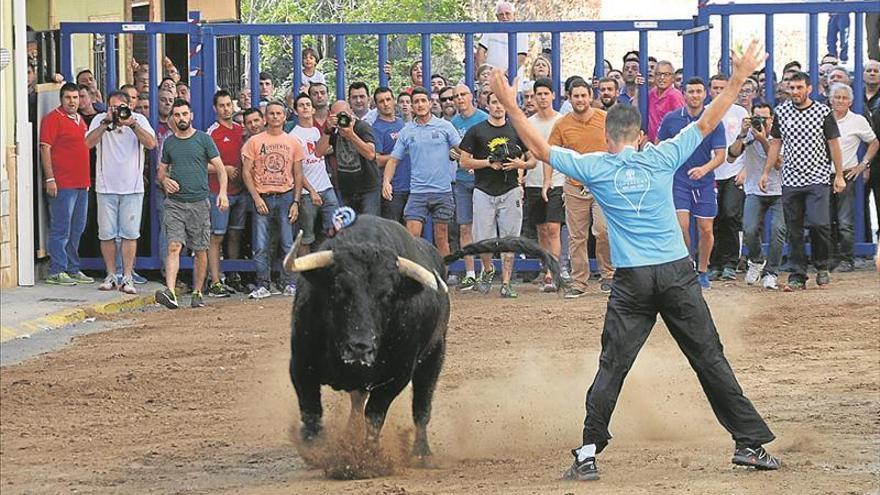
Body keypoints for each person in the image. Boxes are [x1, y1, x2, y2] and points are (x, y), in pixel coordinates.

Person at [488, 39, 781, 481]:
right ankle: (748, 444)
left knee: (614, 365)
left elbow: (543, 151)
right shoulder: (662, 156)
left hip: (632, 282)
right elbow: (706, 123)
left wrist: (511, 104)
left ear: (607, 138)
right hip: (677, 274)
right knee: (708, 358)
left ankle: (588, 452)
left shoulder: (597, 167)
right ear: (642, 134)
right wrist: (739, 78)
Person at [759, 71, 845, 291]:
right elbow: (776, 143)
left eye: (799, 87)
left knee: (820, 223)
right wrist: (766, 172)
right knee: (794, 228)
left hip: (817, 176)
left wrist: (839, 174)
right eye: (792, 87)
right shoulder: (782, 112)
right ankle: (798, 273)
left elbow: (833, 144)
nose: (795, 92)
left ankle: (822, 264)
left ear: (809, 89)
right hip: (791, 178)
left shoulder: (822, 112)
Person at [459, 91, 535, 298]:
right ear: (487, 105)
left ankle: (507, 282)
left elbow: (533, 160)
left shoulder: (517, 129)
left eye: (502, 102)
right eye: (494, 102)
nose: (498, 106)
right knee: (483, 238)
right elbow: (463, 161)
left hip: (510, 189)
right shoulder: (477, 130)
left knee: (510, 238)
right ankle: (489, 269)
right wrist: (488, 163)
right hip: (483, 189)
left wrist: (521, 164)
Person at [156, 99, 229, 309]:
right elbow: (161, 171)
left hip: (199, 202)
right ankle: (170, 291)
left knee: (200, 249)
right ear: (172, 118)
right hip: (175, 204)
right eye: (177, 115)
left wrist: (222, 193)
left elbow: (220, 168)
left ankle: (198, 291)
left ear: (191, 116)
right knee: (173, 245)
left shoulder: (204, 139)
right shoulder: (169, 143)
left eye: (184, 114)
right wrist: (165, 180)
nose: (181, 118)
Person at [85, 90, 157, 294]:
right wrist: (106, 123)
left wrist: (132, 124)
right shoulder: (100, 119)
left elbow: (152, 144)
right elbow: (88, 143)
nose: (117, 111)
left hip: (132, 188)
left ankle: (127, 276)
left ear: (129, 106)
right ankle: (110, 275)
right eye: (113, 107)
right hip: (106, 187)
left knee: (130, 234)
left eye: (120, 107)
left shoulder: (139, 120)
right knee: (106, 234)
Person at [658, 77, 727, 289]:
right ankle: (687, 266)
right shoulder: (671, 119)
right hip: (679, 180)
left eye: (698, 91)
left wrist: (704, 169)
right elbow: (661, 147)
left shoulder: (714, 120)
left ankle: (703, 270)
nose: (695, 95)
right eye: (691, 92)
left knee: (706, 229)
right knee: (681, 226)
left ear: (705, 94)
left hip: (705, 182)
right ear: (684, 94)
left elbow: (721, 155)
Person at [549, 78, 614, 298]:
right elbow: (551, 154)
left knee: (603, 230)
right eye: (575, 96)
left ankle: (608, 275)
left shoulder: (605, 119)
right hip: (575, 186)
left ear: (590, 96)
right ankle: (579, 282)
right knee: (576, 237)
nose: (580, 99)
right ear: (569, 98)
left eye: (584, 95)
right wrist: (549, 181)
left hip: (602, 185)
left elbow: (619, 146)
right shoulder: (561, 124)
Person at [382, 87, 459, 259]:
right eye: (416, 101)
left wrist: (466, 160)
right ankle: (416, 281)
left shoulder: (445, 127)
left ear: (431, 104)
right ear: (411, 106)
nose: (420, 104)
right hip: (417, 192)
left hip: (442, 191)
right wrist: (386, 182)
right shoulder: (407, 131)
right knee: (412, 238)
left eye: (423, 100)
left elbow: (462, 150)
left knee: (441, 238)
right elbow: (393, 160)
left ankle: (442, 280)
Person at [242, 101, 305, 299]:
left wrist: (296, 202)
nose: (275, 117)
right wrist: (256, 197)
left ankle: (289, 283)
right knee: (261, 244)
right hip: (263, 196)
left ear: (285, 116)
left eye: (279, 113)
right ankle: (263, 284)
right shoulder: (254, 142)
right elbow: (246, 172)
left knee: (288, 242)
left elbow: (298, 174)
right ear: (265, 117)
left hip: (286, 196)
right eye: (271, 113)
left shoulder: (293, 142)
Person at [39, 82, 94, 286]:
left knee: (77, 228)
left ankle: (72, 268)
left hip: (82, 183)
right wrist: (50, 178)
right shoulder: (53, 119)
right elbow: (45, 148)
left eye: (75, 97)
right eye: (68, 98)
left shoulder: (80, 120)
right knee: (61, 228)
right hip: (62, 183)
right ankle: (57, 270)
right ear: (61, 99)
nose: (72, 101)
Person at [729, 103, 785, 290]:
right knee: (749, 229)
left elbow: (778, 163)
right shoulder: (749, 135)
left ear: (772, 119)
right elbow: (731, 156)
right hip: (754, 189)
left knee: (778, 230)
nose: (760, 122)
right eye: (756, 118)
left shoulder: (780, 134)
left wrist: (763, 140)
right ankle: (756, 260)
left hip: (779, 190)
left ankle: (771, 273)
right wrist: (743, 133)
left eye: (764, 118)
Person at [828, 83, 878, 272]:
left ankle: (846, 259)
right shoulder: (823, 118)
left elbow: (874, 142)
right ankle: (830, 258)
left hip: (846, 175)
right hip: (823, 175)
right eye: (837, 97)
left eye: (844, 98)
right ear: (830, 99)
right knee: (825, 220)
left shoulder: (858, 120)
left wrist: (863, 164)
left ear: (851, 101)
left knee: (844, 221)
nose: (840, 101)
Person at [707, 74, 750, 282]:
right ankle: (714, 263)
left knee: (731, 216)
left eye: (722, 88)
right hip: (710, 173)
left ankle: (731, 263)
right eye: (715, 88)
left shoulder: (740, 112)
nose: (718, 91)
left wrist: (746, 169)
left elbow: (748, 143)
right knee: (713, 219)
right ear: (709, 90)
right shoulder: (706, 113)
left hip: (734, 172)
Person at [205, 90, 247, 297]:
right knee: (217, 236)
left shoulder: (242, 130)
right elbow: (201, 165)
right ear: (215, 109)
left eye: (228, 104)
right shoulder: (211, 133)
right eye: (221, 105)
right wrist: (224, 169)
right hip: (218, 193)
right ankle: (215, 280)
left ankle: (234, 275)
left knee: (236, 235)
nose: (226, 109)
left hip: (241, 191)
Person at [525, 78, 565, 292]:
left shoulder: (562, 120)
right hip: (533, 181)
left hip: (557, 181)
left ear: (553, 95)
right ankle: (545, 268)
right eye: (537, 94)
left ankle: (553, 272)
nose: (541, 98)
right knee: (541, 229)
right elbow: (528, 152)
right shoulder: (529, 123)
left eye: (545, 93)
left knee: (553, 228)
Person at [450, 84, 489, 290]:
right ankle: (470, 273)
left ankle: (485, 271)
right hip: (461, 180)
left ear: (471, 96)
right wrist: (453, 154)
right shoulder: (453, 122)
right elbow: (451, 148)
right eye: (456, 96)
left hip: (483, 181)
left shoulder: (483, 118)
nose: (459, 99)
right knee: (465, 226)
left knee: (484, 227)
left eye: (463, 94)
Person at [289, 93, 340, 253]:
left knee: (333, 229)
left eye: (308, 105)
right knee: (306, 236)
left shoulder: (317, 132)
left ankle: (326, 268)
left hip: (326, 187)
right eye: (301, 105)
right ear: (295, 111)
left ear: (313, 110)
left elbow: (320, 152)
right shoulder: (293, 136)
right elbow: (295, 170)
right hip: (306, 193)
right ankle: (305, 275)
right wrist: (311, 191)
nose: (305, 107)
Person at [322, 100, 380, 215]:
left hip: (367, 188)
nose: (342, 119)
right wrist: (327, 130)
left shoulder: (362, 127)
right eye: (338, 116)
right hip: (346, 188)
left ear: (351, 112)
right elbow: (319, 152)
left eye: (344, 115)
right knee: (349, 228)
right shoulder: (334, 130)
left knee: (369, 227)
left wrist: (351, 135)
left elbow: (371, 154)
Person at [372, 87, 410, 223]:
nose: (386, 104)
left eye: (388, 99)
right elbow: (375, 160)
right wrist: (397, 155)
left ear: (394, 101)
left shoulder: (401, 123)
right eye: (381, 101)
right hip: (392, 189)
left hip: (411, 185)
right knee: (394, 232)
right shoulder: (376, 128)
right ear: (376, 105)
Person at [475, 1, 529, 78]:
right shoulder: (490, 30)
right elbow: (480, 51)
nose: (504, 17)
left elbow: (521, 57)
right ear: (497, 16)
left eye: (507, 13)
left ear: (514, 15)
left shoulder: (521, 33)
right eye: (501, 14)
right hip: (491, 78)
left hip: (512, 79)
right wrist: (483, 72)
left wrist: (506, 76)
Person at [647, 61, 686, 142]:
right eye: (658, 74)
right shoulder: (651, 93)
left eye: (666, 74)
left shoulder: (675, 96)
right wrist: (638, 87)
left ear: (673, 78)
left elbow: (681, 122)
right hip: (651, 145)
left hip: (667, 146)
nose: (662, 77)